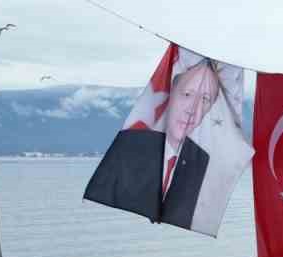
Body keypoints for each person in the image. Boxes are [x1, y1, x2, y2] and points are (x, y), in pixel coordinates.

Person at [84, 60, 219, 231]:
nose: (192, 109)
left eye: (205, 99)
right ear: (171, 95)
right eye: (187, 94)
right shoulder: (129, 149)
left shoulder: (203, 163)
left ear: (210, 109)